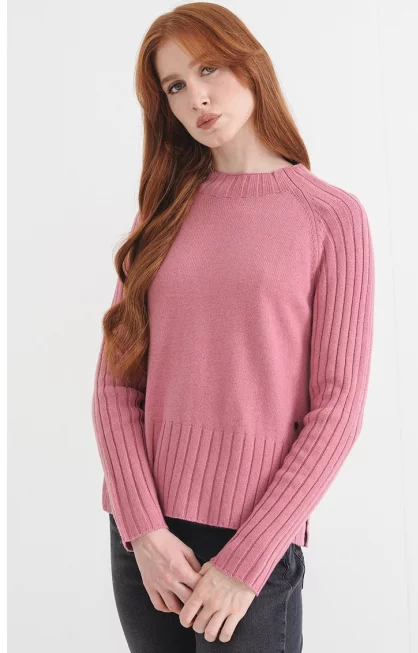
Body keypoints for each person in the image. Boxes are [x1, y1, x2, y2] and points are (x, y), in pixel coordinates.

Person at [91, 2, 375, 651]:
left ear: (249, 63)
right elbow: (114, 385)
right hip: (147, 543)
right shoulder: (159, 216)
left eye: (208, 69)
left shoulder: (332, 218)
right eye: (175, 86)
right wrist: (143, 530)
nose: (197, 97)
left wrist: (247, 561)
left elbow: (338, 408)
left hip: (254, 547)